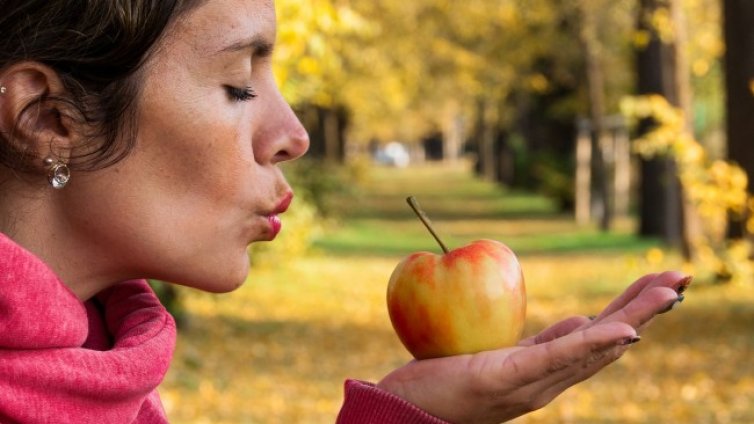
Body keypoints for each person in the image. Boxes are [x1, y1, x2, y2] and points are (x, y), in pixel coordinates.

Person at [0, 1, 689, 423]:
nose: (293, 133)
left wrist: (410, 417)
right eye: (239, 85)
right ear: (49, 118)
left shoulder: (106, 365)